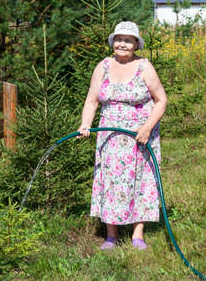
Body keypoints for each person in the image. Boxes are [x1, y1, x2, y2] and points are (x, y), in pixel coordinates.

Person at [77, 21, 167, 250]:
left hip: (140, 136)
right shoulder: (103, 66)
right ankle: (111, 235)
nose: (122, 44)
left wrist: (147, 128)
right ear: (113, 42)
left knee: (140, 181)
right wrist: (85, 124)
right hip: (110, 137)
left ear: (136, 44)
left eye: (128, 40)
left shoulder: (144, 67)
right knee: (111, 181)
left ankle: (138, 234)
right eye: (119, 39)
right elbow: (92, 100)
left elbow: (161, 100)